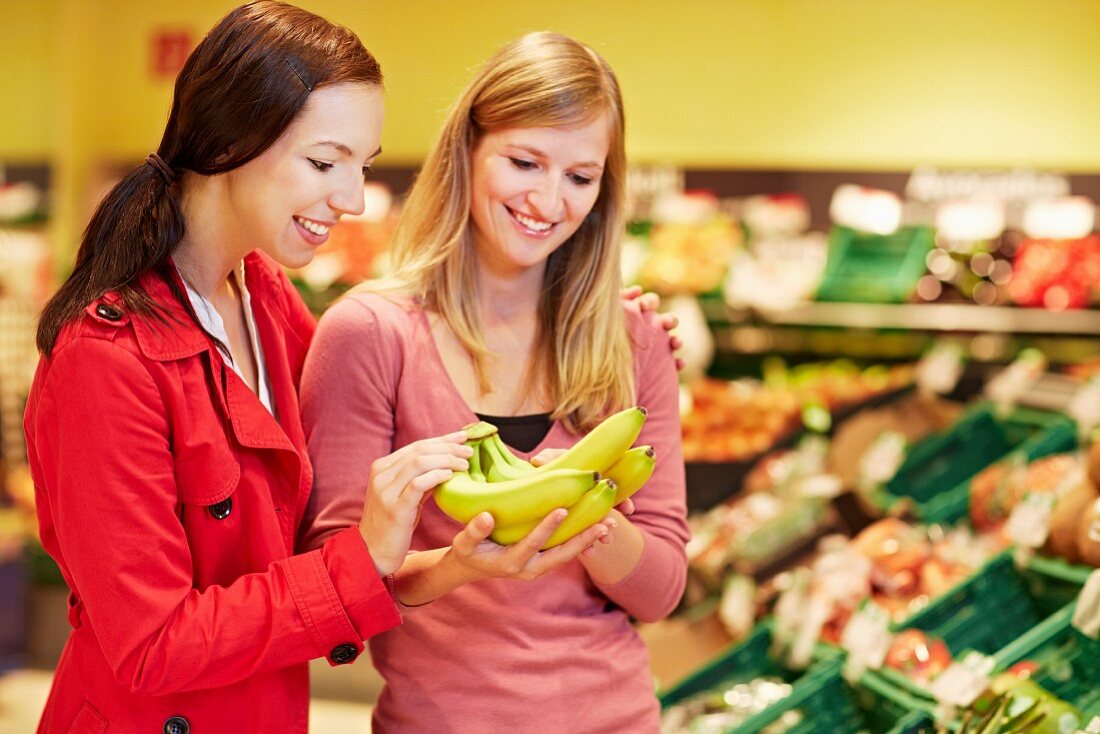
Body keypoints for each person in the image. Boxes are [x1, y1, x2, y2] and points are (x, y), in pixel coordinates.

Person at [22, 3, 589, 731]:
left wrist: (452, 565)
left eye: (363, 166)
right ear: (230, 141)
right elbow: (152, 646)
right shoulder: (105, 361)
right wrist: (368, 556)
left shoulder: (265, 298)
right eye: (325, 162)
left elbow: (313, 549)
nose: (351, 199)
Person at [300, 31, 689, 733]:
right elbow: (334, 591)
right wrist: (459, 565)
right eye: (524, 161)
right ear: (469, 149)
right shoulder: (369, 334)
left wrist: (589, 509)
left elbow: (661, 591)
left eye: (581, 176)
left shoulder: (633, 341)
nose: (549, 199)